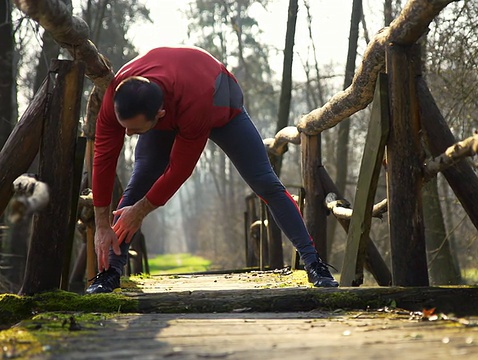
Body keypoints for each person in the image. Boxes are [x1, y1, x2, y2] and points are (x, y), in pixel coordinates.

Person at [86, 46, 338, 294]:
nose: (127, 134)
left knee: (266, 184)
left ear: (160, 114)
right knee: (138, 186)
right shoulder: (116, 96)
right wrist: (101, 224)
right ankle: (110, 274)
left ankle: (314, 263)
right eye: (124, 127)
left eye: (135, 130)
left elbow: (179, 170)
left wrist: (140, 211)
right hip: (176, 98)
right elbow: (104, 159)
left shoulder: (194, 103)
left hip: (221, 109)